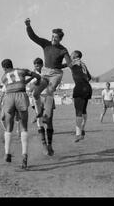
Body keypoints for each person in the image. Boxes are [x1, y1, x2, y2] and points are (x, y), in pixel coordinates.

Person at [24, 18, 72, 155]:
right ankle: (44, 143)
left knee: (49, 120)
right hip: (44, 83)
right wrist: (28, 26)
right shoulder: (45, 44)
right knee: (35, 94)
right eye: (52, 36)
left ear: (60, 39)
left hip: (55, 76)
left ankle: (49, 144)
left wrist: (72, 63)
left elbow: (67, 63)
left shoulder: (63, 50)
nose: (53, 38)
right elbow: (33, 37)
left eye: (56, 37)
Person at [0, 59, 41, 169]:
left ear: (4, 68)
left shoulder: (3, 77)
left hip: (9, 97)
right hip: (21, 96)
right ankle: (24, 156)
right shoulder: (22, 71)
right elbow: (37, 76)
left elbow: (15, 84)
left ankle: (7, 153)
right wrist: (36, 80)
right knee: (24, 127)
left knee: (9, 127)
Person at [25, 57, 56, 155]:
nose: (37, 67)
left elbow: (52, 84)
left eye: (38, 65)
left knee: (49, 121)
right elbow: (29, 88)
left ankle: (50, 145)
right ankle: (44, 145)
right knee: (40, 122)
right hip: (37, 99)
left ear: (42, 65)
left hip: (48, 97)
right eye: (35, 65)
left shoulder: (48, 73)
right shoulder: (32, 75)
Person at [67, 50, 93, 142]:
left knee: (78, 111)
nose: (70, 55)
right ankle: (82, 129)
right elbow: (89, 77)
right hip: (88, 87)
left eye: (72, 54)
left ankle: (78, 134)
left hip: (80, 87)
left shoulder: (74, 62)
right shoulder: (83, 64)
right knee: (83, 111)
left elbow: (66, 64)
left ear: (75, 55)